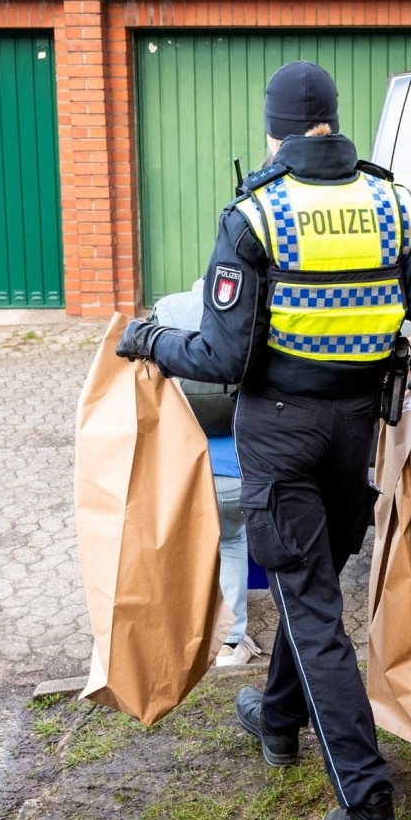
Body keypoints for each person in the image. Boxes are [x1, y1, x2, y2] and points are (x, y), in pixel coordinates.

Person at [116, 60, 411, 820]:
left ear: (272, 130)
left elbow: (220, 352)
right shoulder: (394, 202)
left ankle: (369, 806)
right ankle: (276, 720)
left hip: (279, 432)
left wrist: (150, 342)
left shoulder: (256, 216)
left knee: (311, 608)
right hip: (356, 435)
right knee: (311, 581)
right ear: (332, 124)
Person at [150, 281, 261, 668]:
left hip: (185, 470)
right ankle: (231, 643)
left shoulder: (168, 310)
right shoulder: (256, 312)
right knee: (231, 541)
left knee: (188, 547)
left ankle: (181, 631)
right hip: (240, 470)